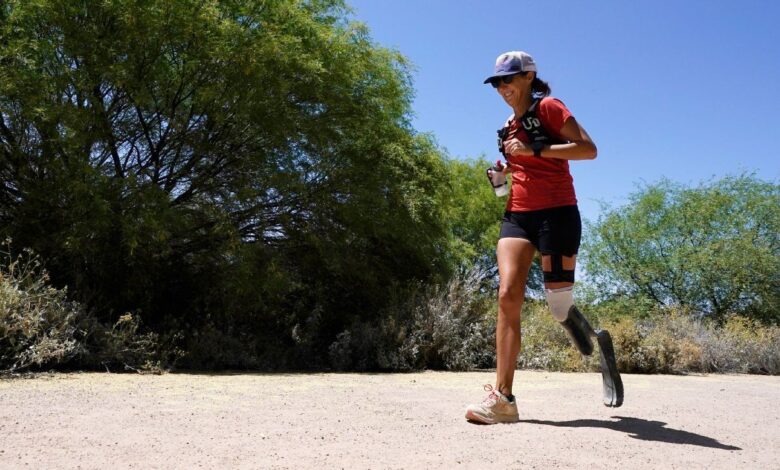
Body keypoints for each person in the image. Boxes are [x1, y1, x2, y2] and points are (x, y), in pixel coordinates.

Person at [465, 51, 623, 424]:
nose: (503, 87)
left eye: (509, 79)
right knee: (508, 294)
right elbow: (514, 177)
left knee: (558, 307)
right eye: (497, 82)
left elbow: (588, 150)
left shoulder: (549, 108)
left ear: (528, 77)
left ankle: (596, 339)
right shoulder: (506, 127)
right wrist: (501, 178)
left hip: (558, 214)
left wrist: (535, 148)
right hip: (518, 216)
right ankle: (503, 399)